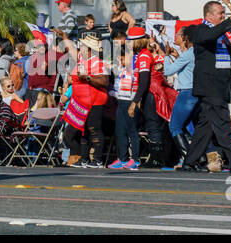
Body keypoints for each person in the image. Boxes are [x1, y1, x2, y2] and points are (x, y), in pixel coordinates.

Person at [180, 0, 231, 173]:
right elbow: (208, 37)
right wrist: (230, 22)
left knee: (204, 129)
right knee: (223, 124)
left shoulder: (224, 35)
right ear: (209, 15)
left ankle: (189, 161)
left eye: (223, 13)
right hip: (209, 88)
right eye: (220, 13)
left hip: (221, 88)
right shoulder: (201, 30)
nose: (223, 15)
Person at [109, 27, 154, 170]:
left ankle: (135, 159)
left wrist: (135, 101)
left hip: (131, 99)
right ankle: (122, 158)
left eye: (131, 41)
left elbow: (144, 81)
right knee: (120, 130)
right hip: (122, 97)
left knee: (132, 130)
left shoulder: (144, 55)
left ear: (138, 41)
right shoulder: (134, 55)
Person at [64, 34, 111, 167]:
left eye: (83, 46)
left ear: (90, 49)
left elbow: (104, 81)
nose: (81, 48)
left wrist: (87, 77)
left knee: (94, 129)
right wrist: (63, 36)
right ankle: (84, 159)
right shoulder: (81, 59)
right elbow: (71, 49)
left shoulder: (97, 62)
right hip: (81, 101)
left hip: (94, 101)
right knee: (83, 129)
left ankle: (97, 160)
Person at [163, 27, 197, 154]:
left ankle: (189, 158)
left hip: (186, 93)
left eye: (178, 35)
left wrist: (166, 56)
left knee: (175, 126)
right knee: (190, 126)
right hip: (196, 91)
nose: (175, 37)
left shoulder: (188, 54)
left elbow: (168, 71)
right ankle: (202, 156)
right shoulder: (197, 52)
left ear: (185, 38)